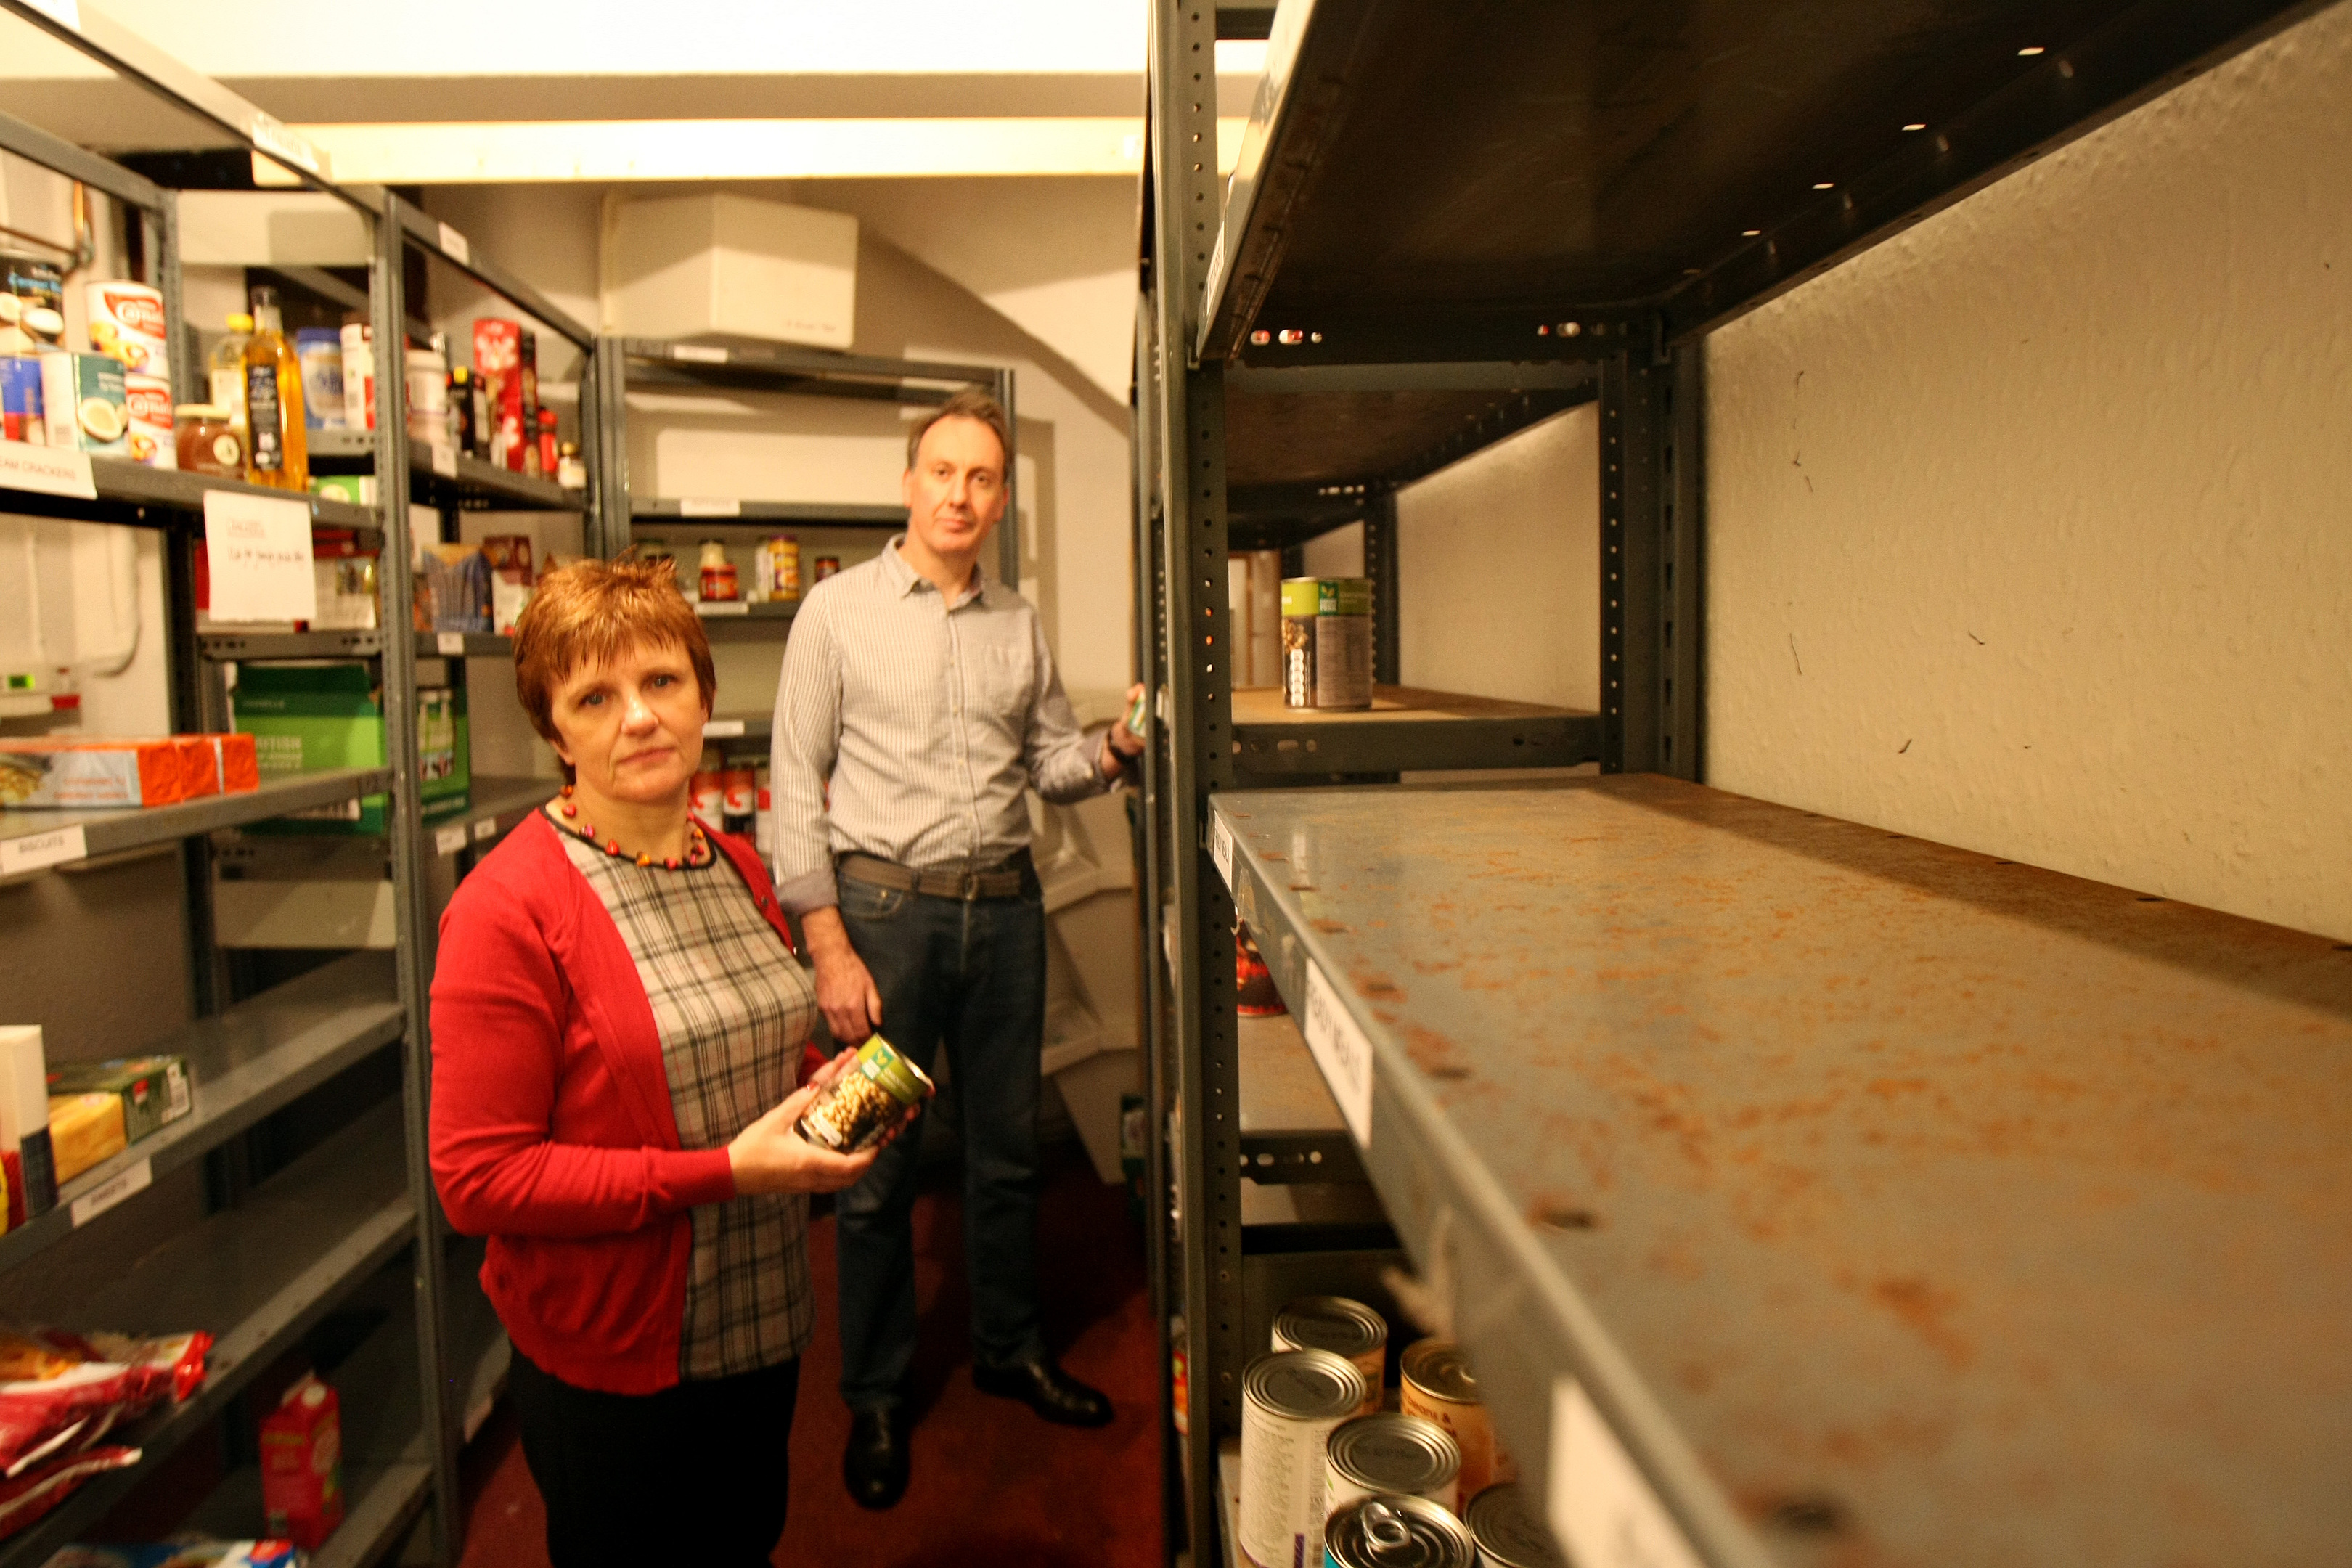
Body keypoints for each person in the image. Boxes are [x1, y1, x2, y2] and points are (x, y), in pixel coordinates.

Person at [430, 557, 883, 1568]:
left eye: (662, 682)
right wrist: (722, 1173)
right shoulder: (507, 910)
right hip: (618, 1360)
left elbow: (748, 1039)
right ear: (555, 731)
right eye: (595, 696)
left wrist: (825, 1083)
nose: (639, 717)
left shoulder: (732, 860)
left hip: (759, 1318)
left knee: (741, 1543)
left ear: (704, 694)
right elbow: (477, 1179)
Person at [771, 386, 1148, 1509]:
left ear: (999, 500)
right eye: (944, 470)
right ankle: (878, 1396)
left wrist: (1120, 745)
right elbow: (794, 788)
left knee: (1009, 1158)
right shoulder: (833, 614)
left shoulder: (1017, 625)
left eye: (983, 477)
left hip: (1007, 915)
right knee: (877, 1172)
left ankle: (1009, 1348)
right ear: (909, 482)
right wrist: (830, 948)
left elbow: (1051, 767)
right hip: (886, 925)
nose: (961, 493)